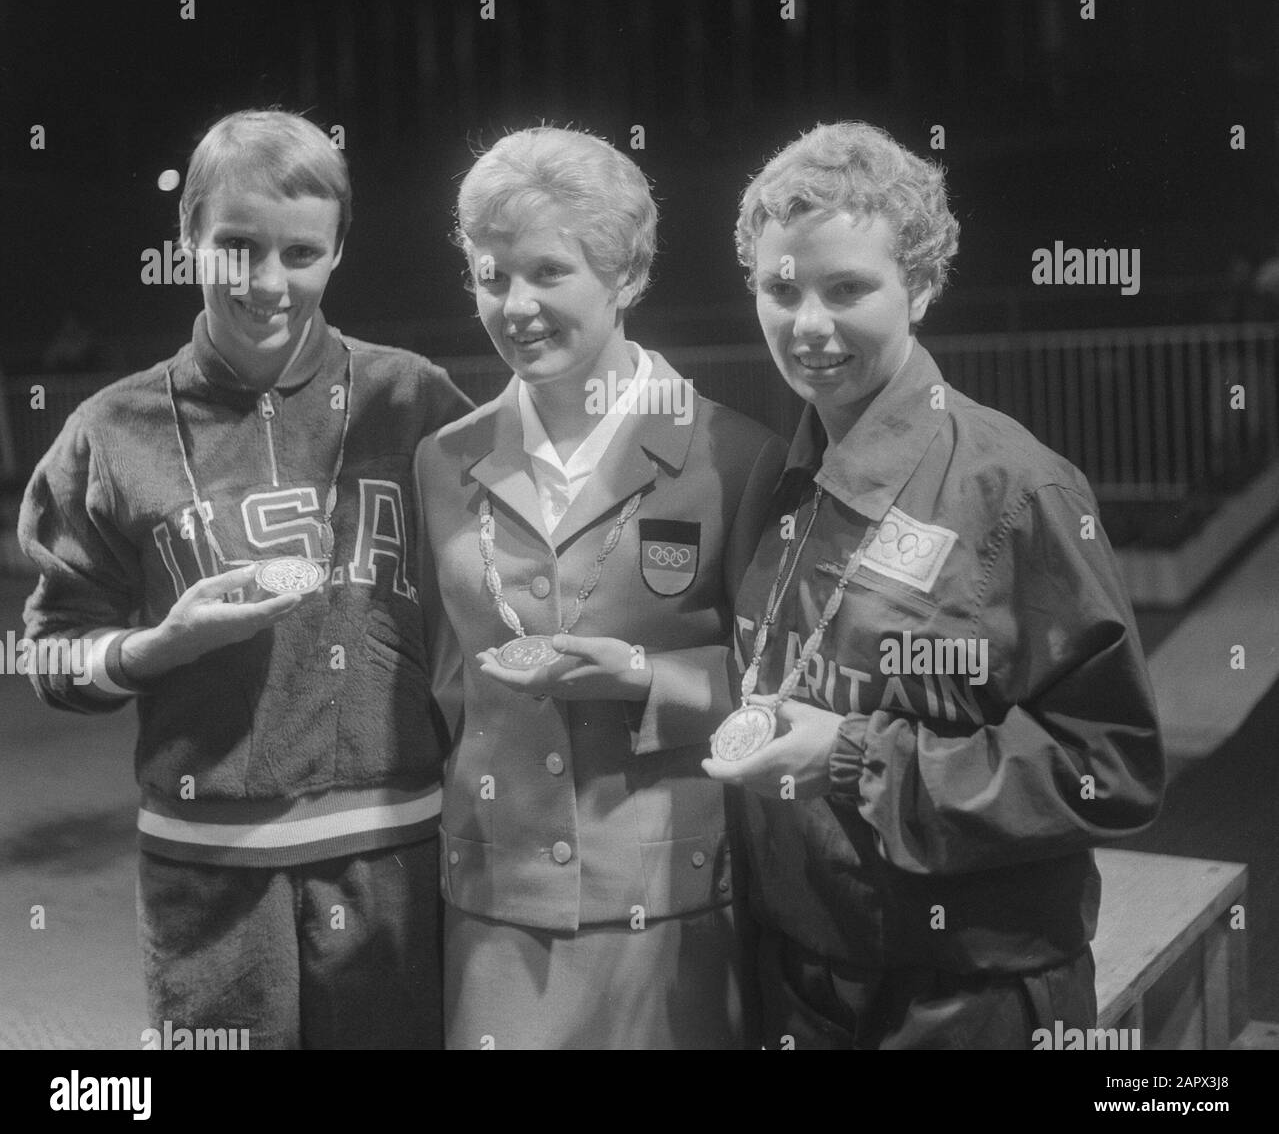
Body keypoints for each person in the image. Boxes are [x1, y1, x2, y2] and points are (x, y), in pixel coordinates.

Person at [704, 121, 1165, 1050]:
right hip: (801, 983)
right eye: (780, 289)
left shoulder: (1015, 490)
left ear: (919, 285)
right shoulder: (777, 476)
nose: (808, 325)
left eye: (847, 289)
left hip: (964, 999)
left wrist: (854, 760)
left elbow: (1110, 769)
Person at [20, 109, 472, 1049]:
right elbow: (49, 656)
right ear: (186, 240)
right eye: (234, 246)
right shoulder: (110, 429)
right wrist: (154, 649)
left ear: (338, 251)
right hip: (207, 874)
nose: (266, 283)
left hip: (394, 855)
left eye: (300, 252)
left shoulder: (415, 398)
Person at [413, 126, 787, 1049]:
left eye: (547, 272)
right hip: (496, 915)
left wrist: (642, 677)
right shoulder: (442, 460)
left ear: (625, 276)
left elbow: (782, 690)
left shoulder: (731, 452)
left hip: (669, 908)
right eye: (490, 275)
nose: (515, 305)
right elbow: (446, 687)